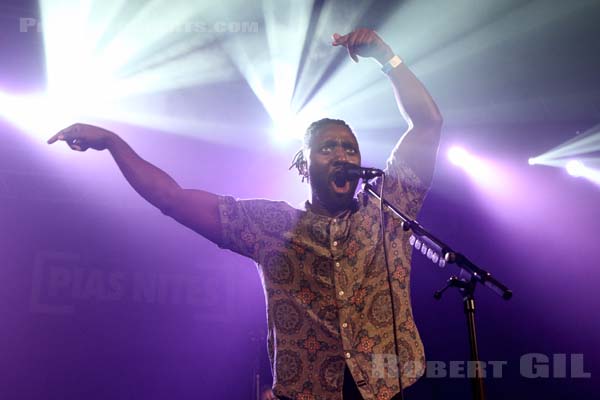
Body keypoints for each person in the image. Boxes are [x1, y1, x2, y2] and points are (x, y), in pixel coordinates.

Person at [48, 28, 442, 400]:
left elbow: (427, 123)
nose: (342, 155)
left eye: (349, 148)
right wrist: (115, 144)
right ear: (303, 166)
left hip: (394, 390)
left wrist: (385, 58)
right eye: (327, 148)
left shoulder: (386, 210)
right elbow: (171, 197)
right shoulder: (271, 225)